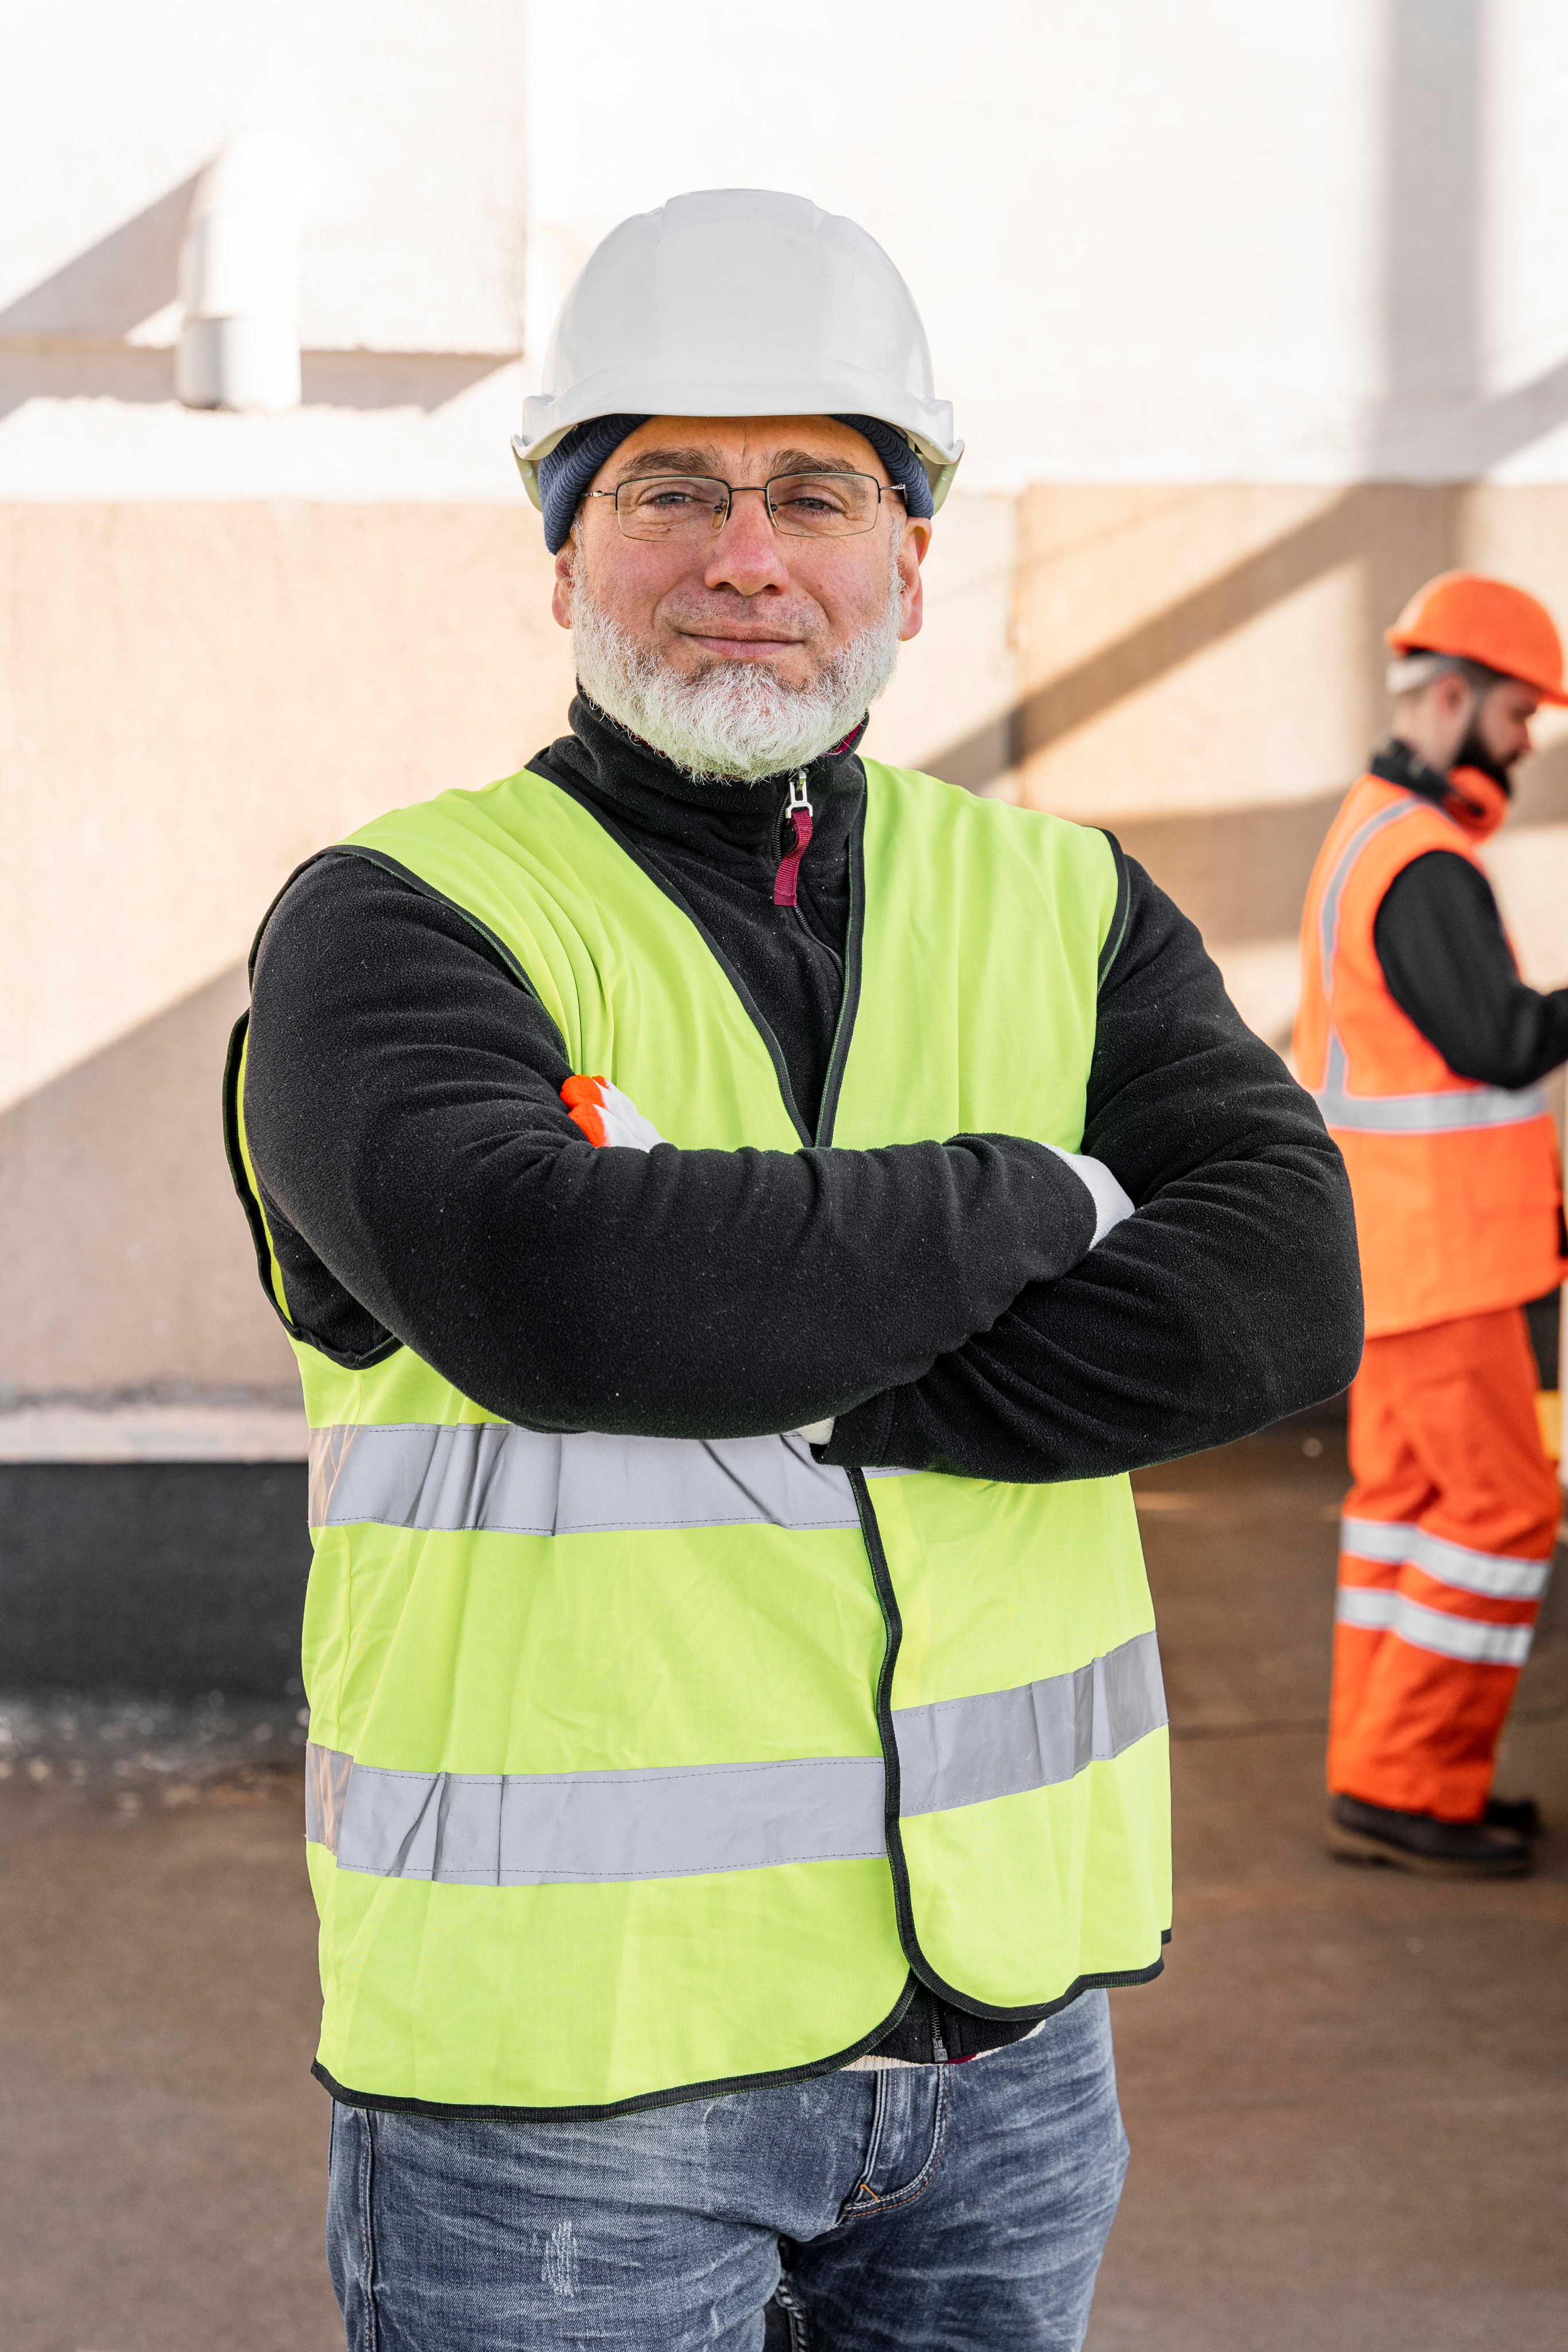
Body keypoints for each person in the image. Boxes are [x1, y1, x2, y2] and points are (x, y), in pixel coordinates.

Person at [228, 188, 1360, 2351]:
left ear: (910, 565)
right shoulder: (394, 922)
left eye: (816, 492)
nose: (745, 556)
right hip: (565, 2085)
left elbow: (1283, 1291)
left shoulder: (1061, 897)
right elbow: (560, 1294)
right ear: (561, 552)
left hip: (1003, 2050)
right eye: (667, 488)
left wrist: (800, 1356)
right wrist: (1040, 1195)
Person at [1296, 570, 1568, 1882]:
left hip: (1396, 1257)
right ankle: (1416, 1787)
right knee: (1503, 1514)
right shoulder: (1420, 860)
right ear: (1452, 698)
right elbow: (1501, 1041)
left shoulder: (1370, 833)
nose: (1528, 740)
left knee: (1401, 1516)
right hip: (1450, 1263)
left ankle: (1378, 1772)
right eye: (1520, 713)